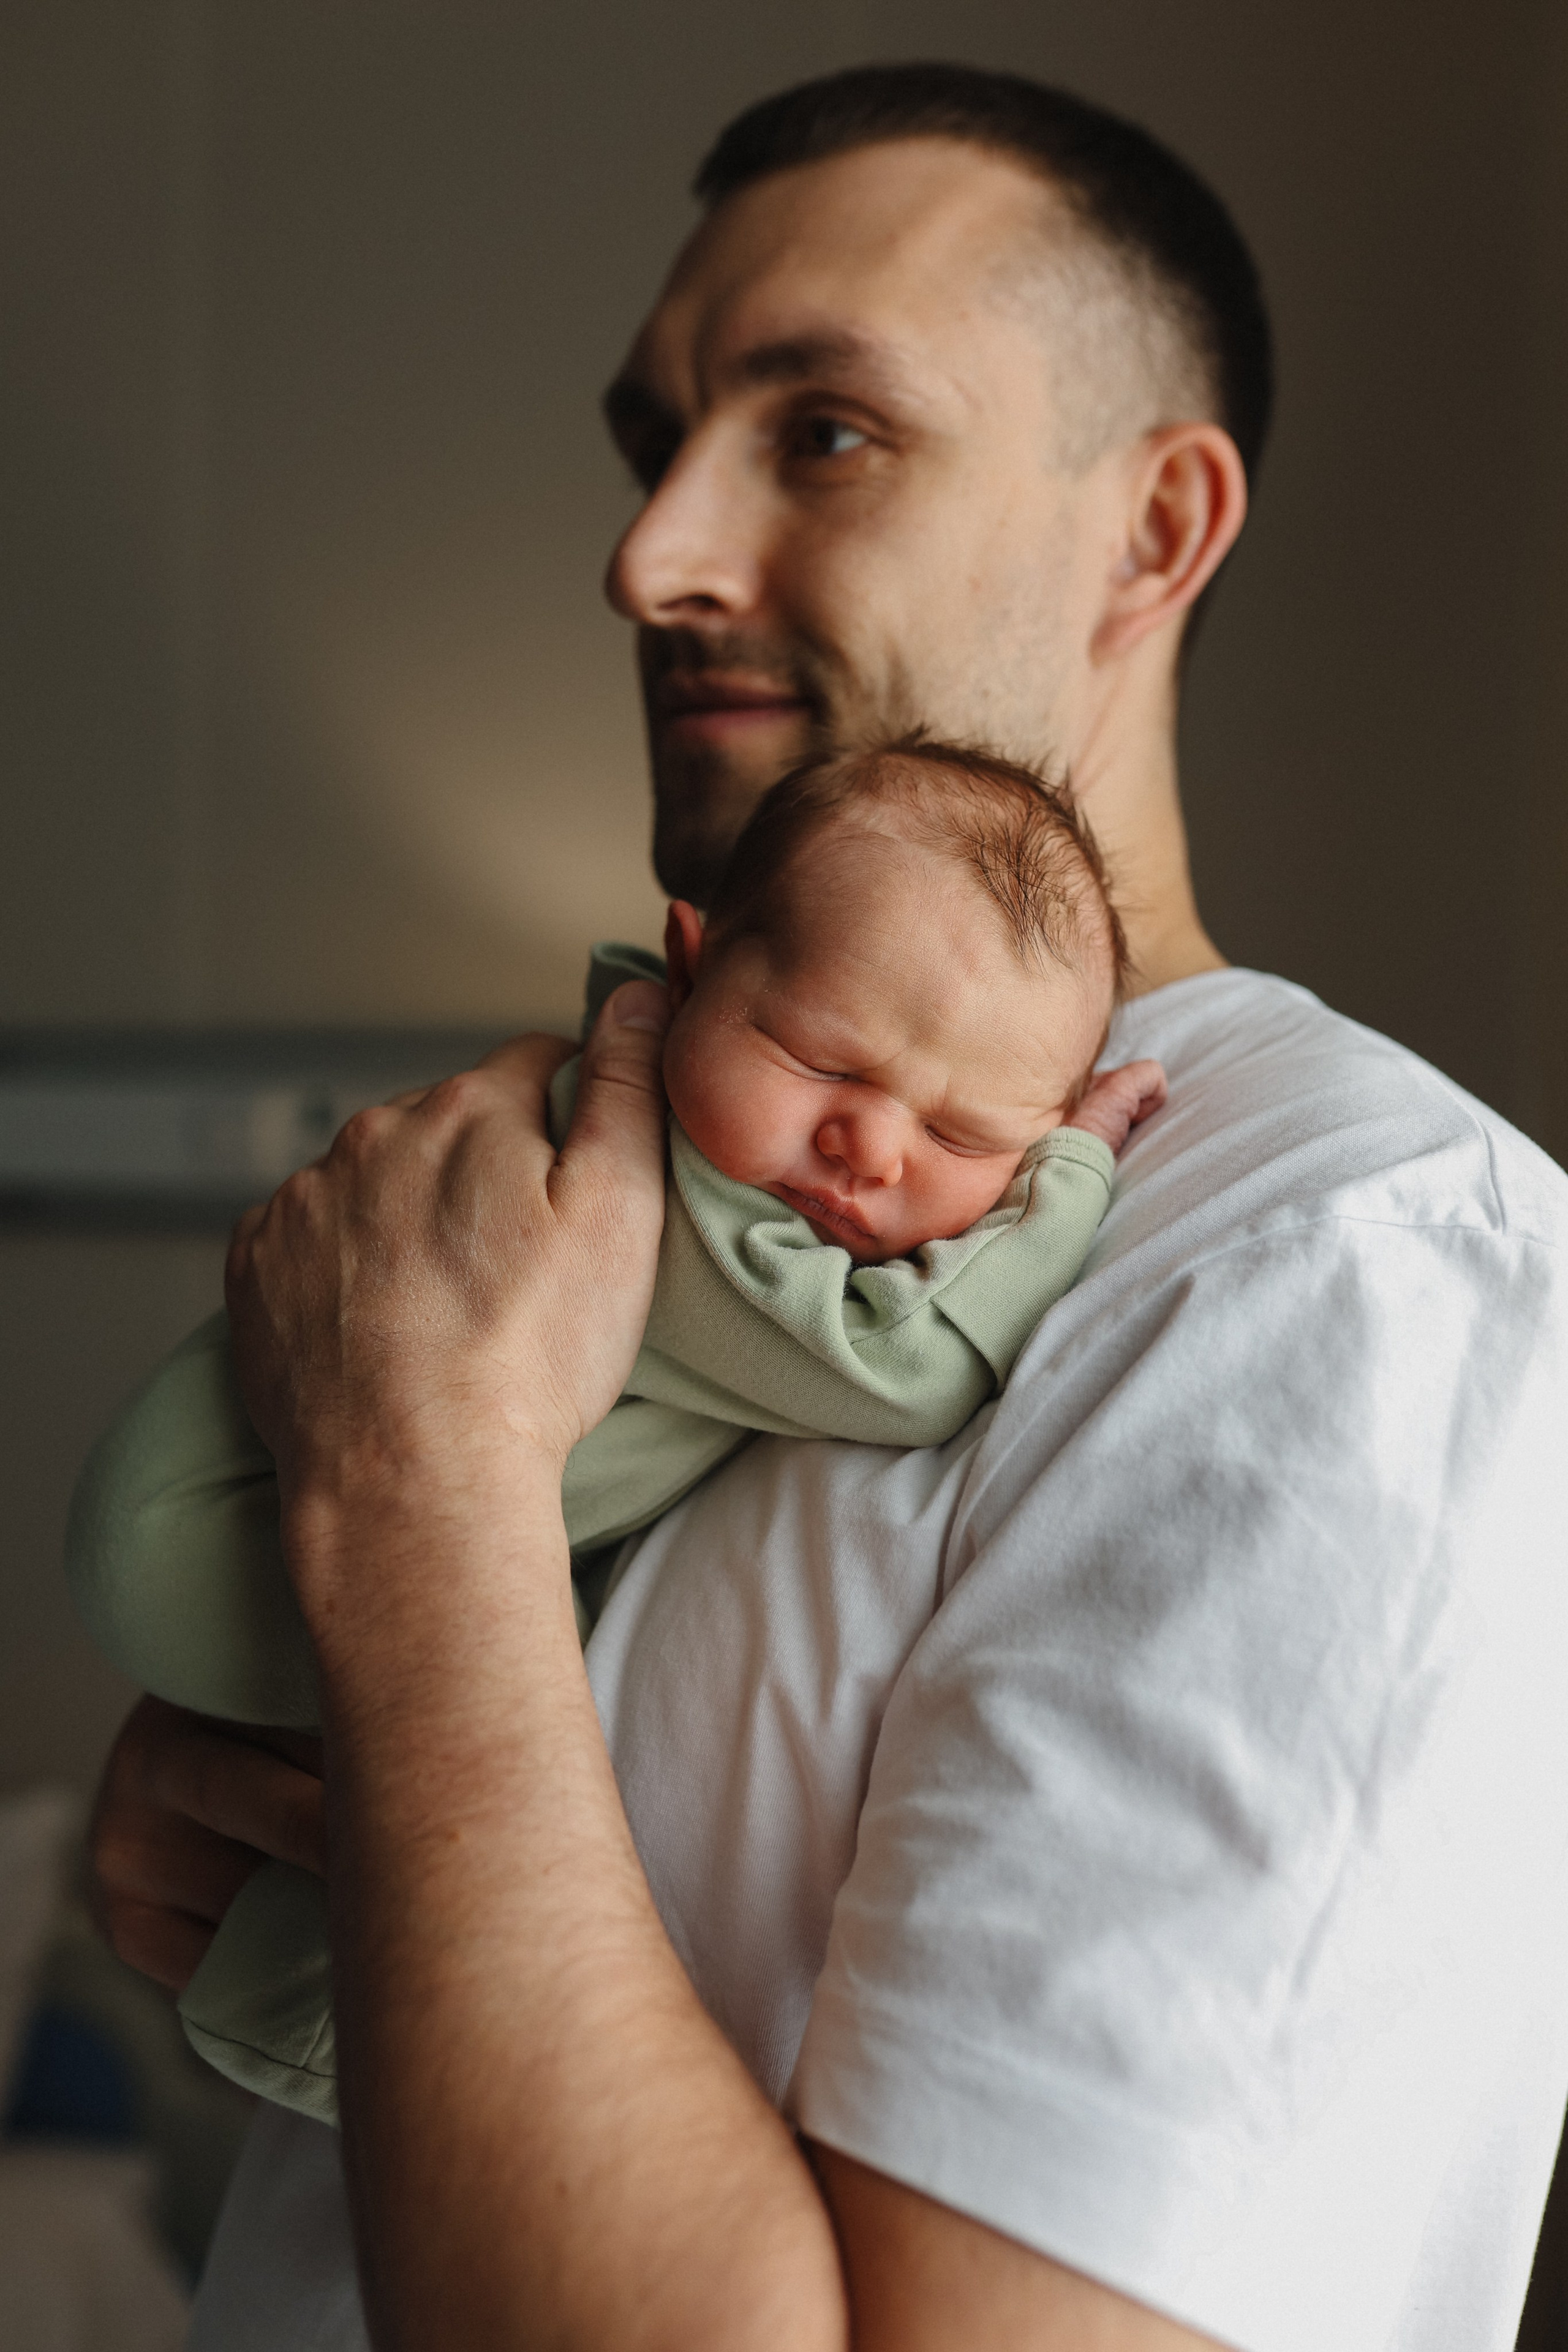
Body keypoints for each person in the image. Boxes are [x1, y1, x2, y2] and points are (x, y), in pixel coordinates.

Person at [86, 64, 1568, 2352]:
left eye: (827, 432)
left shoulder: (1350, 1271)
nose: (649, 556)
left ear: (1155, 530)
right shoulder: (621, 1189)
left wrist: (417, 1504)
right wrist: (312, 1748)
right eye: (654, 436)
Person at [69, 737, 1163, 2125]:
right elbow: (905, 1369)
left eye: (962, 1136)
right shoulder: (669, 1195)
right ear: (689, 970)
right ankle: (331, 2042)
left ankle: (309, 2033)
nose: (869, 1150)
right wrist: (1066, 1174)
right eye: (816, 1057)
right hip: (204, 1539)